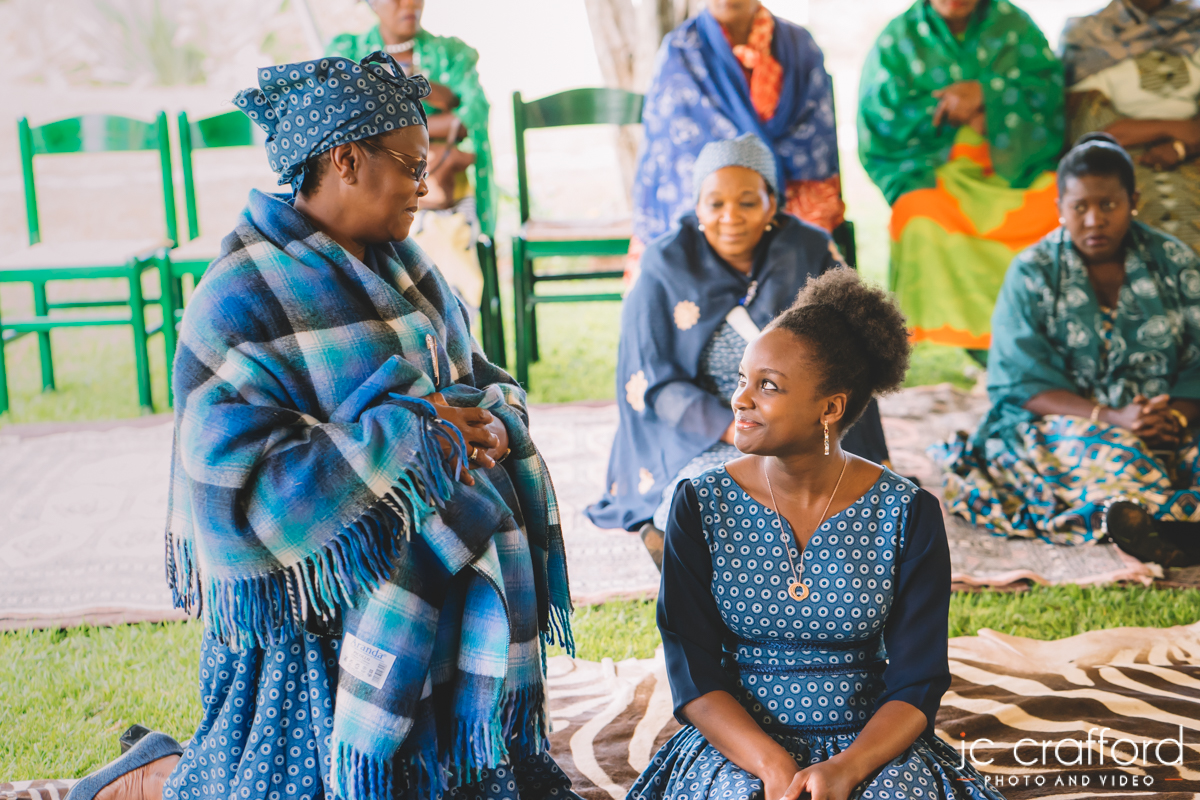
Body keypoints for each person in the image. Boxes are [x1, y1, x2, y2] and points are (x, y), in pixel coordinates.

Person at [65, 53, 578, 800]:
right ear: (346, 160)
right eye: (412, 166)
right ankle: (145, 775)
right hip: (315, 611)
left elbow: (476, 377)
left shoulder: (410, 269)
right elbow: (240, 481)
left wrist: (494, 422)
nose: (426, 186)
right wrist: (414, 438)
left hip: (434, 580)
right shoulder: (239, 295)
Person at [627, 268, 1000, 800]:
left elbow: (917, 681)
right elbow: (693, 672)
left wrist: (846, 769)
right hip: (740, 744)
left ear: (830, 408)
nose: (740, 399)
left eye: (768, 386)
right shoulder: (699, 505)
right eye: (742, 379)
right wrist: (771, 766)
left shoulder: (907, 513)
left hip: (869, 745)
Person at [586, 134, 890, 567]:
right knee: (716, 503)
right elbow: (653, 381)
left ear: (772, 205)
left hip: (801, 423)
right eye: (715, 204)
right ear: (698, 207)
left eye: (748, 202)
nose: (731, 217)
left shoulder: (808, 250)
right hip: (703, 429)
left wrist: (796, 430)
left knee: (845, 517)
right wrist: (741, 430)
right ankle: (675, 538)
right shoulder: (663, 265)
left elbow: (849, 355)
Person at [935, 134, 1200, 567]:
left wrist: (1172, 418)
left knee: (1188, 453)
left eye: (1108, 205)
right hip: (1072, 422)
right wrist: (1114, 418)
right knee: (1117, 457)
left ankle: (1153, 524)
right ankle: (1160, 524)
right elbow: (1020, 380)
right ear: (1060, 207)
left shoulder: (1175, 262)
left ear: (1133, 201)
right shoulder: (1033, 273)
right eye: (1080, 207)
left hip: (1172, 417)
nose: (1094, 220)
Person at [858, 0, 1064, 353]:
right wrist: (954, 108)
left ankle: (1041, 332)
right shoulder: (897, 39)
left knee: (1059, 206)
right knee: (917, 213)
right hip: (938, 171)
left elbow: (1048, 94)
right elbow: (882, 119)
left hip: (1014, 169)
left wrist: (989, 96)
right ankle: (976, 346)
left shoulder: (1016, 26)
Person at [629, 0, 846, 276]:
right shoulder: (680, 50)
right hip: (709, 193)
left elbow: (817, 139)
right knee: (696, 240)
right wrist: (736, 195)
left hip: (795, 188)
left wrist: (766, 194)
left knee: (808, 248)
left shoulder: (800, 45)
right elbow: (675, 152)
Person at [328, 0, 492, 309]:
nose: (410, 3)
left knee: (444, 210)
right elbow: (343, 126)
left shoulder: (452, 54)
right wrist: (439, 127)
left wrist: (394, 120)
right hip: (371, 188)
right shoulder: (346, 52)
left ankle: (450, 317)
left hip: (447, 196)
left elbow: (473, 118)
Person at [1062, 0, 1200, 254]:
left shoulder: (1196, 25)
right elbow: (1097, 134)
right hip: (1123, 163)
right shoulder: (1087, 36)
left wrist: (1183, 147)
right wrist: (1174, 128)